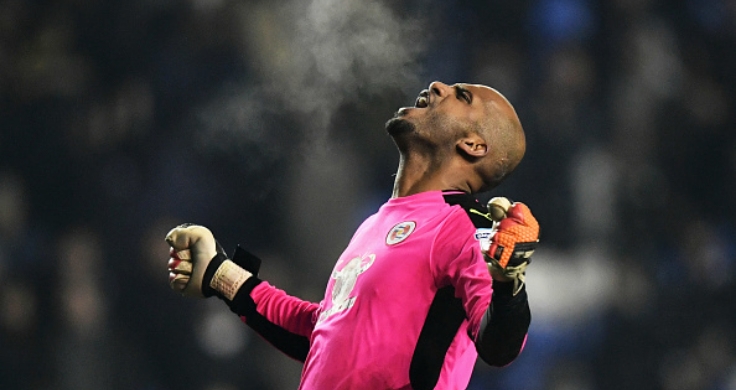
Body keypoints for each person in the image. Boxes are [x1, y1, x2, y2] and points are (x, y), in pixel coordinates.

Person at [165, 81, 540, 390]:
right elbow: (323, 333)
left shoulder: (466, 224)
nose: (437, 85)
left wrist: (508, 285)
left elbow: (497, 345)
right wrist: (219, 273)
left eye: (462, 97)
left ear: (473, 145)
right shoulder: (373, 224)